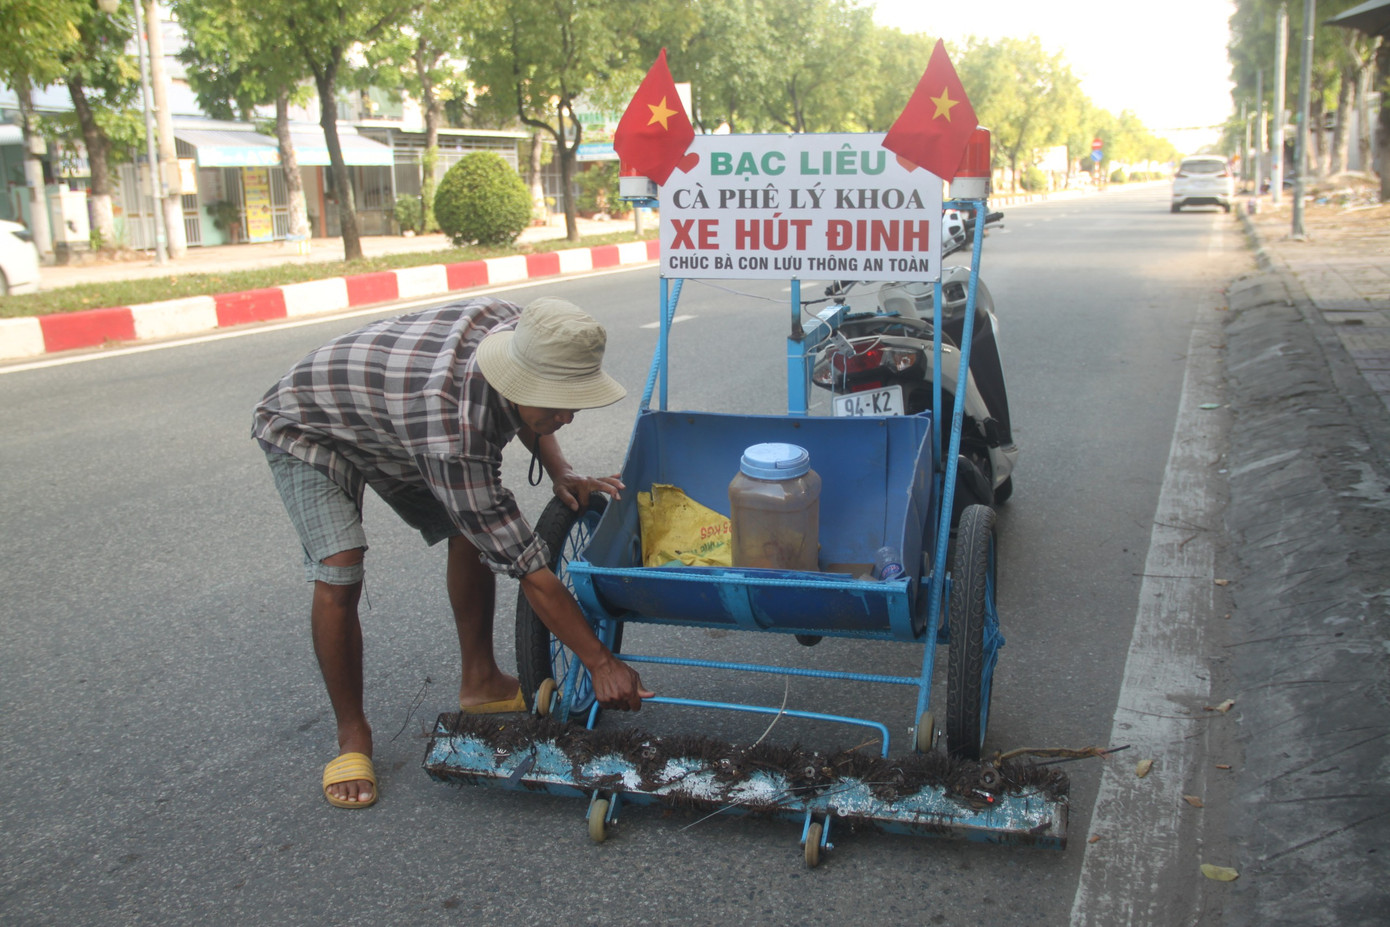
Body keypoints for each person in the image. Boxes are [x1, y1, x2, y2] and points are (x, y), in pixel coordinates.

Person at [252, 296, 652, 809]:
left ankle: (481, 681)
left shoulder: (530, 331)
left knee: (471, 530)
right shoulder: (453, 435)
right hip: (307, 424)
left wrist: (562, 470)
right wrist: (600, 661)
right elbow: (530, 571)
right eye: (556, 403)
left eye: (575, 400)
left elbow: (529, 408)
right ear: (515, 381)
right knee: (340, 568)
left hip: (393, 413)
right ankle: (353, 737)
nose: (568, 416)